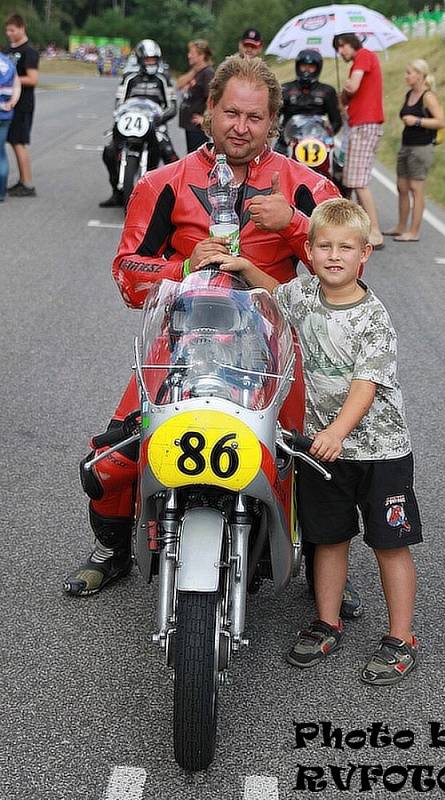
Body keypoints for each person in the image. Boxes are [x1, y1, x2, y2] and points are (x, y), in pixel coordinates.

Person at [63, 54, 342, 598]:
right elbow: (128, 274)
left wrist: (297, 226)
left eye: (255, 118)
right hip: (181, 345)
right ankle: (114, 549)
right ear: (207, 112)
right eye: (231, 113)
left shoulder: (304, 184)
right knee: (112, 457)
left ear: (273, 123)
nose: (241, 127)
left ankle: (324, 568)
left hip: (276, 349)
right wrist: (184, 267)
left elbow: (349, 268)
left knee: (313, 457)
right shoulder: (163, 182)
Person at [202, 198, 423, 685]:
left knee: (390, 543)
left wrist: (336, 433)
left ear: (365, 254)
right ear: (309, 249)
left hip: (378, 451)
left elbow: (367, 384)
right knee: (328, 536)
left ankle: (401, 638)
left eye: (346, 247)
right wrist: (243, 266)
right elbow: (276, 293)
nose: (334, 255)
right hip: (323, 451)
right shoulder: (304, 294)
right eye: (324, 246)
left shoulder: (373, 317)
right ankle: (327, 621)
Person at [99, 39, 178, 208]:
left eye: (154, 59)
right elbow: (119, 102)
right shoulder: (129, 78)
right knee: (109, 152)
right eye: (148, 59)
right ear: (141, 59)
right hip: (130, 123)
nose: (151, 63)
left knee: (170, 155)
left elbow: (172, 106)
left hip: (155, 125)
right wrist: (121, 115)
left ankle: (176, 198)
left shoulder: (163, 78)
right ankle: (116, 192)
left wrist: (159, 119)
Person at [383, 59, 445, 242]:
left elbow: (441, 122)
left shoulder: (428, 96)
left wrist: (417, 121)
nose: (406, 76)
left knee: (416, 188)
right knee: (401, 187)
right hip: (406, 145)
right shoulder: (410, 93)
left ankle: (414, 231)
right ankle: (401, 226)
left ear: (419, 75)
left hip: (422, 147)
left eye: (409, 72)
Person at [333, 34, 384, 249]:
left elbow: (353, 86)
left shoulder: (364, 55)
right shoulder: (358, 62)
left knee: (357, 181)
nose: (341, 52)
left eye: (342, 46)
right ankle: (358, 226)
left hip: (365, 124)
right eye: (338, 48)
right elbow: (349, 97)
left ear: (352, 44)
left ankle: (375, 231)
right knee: (352, 177)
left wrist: (346, 87)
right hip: (358, 124)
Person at [275, 49, 342, 154]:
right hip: (288, 140)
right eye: (303, 66)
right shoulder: (285, 89)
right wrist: (281, 134)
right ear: (298, 67)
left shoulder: (327, 91)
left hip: (316, 142)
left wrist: (325, 136)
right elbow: (275, 116)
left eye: (311, 67)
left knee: (331, 160)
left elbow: (336, 121)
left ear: (317, 68)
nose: (306, 70)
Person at [4, 13, 39, 197]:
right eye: (7, 30)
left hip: (23, 103)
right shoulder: (7, 51)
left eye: (12, 30)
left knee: (19, 142)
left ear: (21, 28)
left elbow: (33, 79)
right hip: (8, 103)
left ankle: (27, 183)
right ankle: (20, 181)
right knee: (11, 140)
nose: (9, 33)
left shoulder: (29, 51)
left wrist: (10, 80)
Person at [176, 39, 214, 153]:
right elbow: (178, 84)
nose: (189, 56)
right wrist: (194, 70)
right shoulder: (196, 72)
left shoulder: (208, 73)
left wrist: (205, 119)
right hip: (190, 125)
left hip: (198, 128)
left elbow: (212, 98)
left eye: (192, 53)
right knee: (190, 155)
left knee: (198, 157)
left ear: (202, 56)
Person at [0, 51, 20, 201]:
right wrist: (12, 102)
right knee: (1, 154)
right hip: (5, 113)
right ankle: (1, 192)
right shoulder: (9, 63)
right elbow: (17, 85)